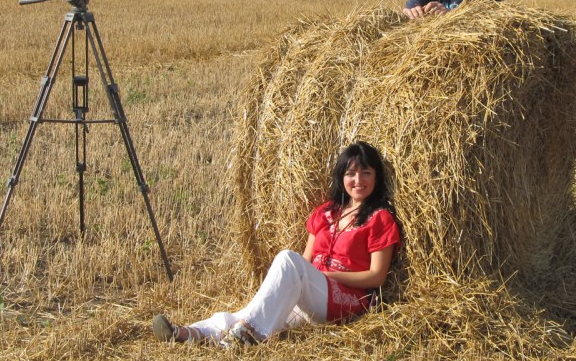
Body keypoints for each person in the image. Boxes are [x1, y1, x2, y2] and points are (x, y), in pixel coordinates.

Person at [152, 141, 401, 346]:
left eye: (366, 173)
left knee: (286, 259)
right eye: (350, 173)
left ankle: (246, 336)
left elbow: (376, 277)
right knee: (256, 311)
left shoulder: (379, 218)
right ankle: (190, 333)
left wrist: (327, 276)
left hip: (346, 300)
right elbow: (305, 262)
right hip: (313, 295)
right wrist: (308, 278)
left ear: (376, 178)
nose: (358, 180)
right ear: (341, 177)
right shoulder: (325, 212)